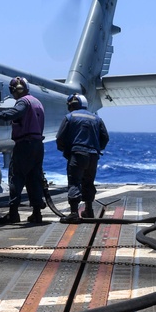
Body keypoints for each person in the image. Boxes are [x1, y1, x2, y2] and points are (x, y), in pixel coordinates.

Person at [0, 76, 46, 224]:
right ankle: (37, 214)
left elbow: (15, 113)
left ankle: (13, 213)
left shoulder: (23, 101)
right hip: (38, 145)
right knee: (34, 178)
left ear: (14, 90)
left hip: (25, 145)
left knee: (16, 177)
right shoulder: (37, 102)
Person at [55, 93, 109, 222]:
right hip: (93, 155)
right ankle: (89, 210)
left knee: (74, 182)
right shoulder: (96, 118)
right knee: (88, 182)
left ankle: (74, 213)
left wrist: (66, 151)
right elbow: (105, 138)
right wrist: (96, 148)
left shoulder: (69, 117)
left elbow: (60, 138)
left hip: (78, 154)